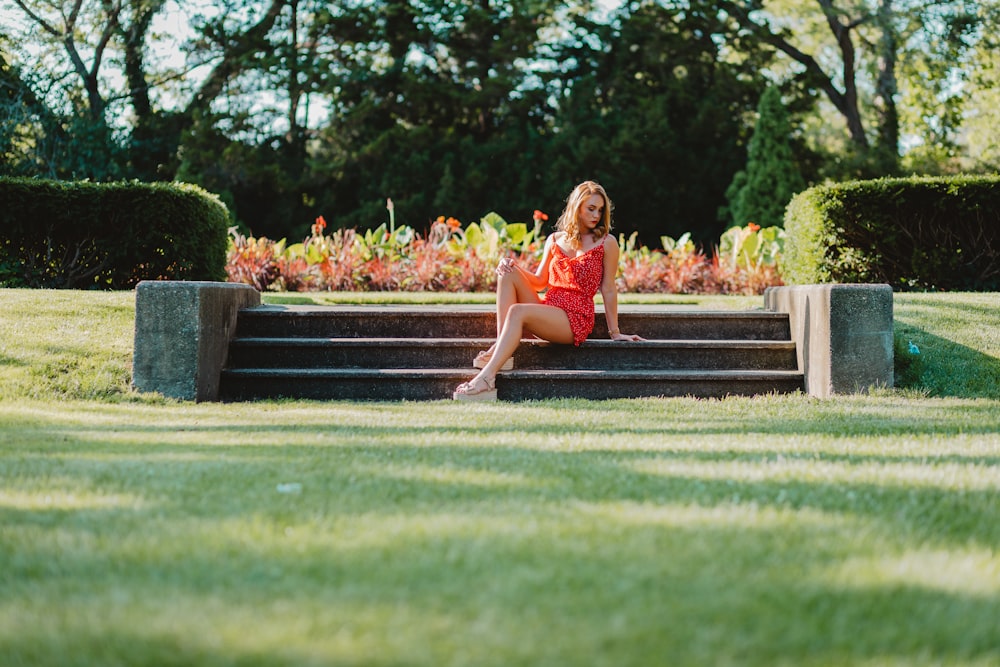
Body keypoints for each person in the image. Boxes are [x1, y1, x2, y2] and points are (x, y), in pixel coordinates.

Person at [453, 180, 644, 401]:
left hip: (575, 317)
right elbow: (539, 282)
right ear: (576, 207)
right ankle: (501, 352)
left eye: (600, 210)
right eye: (591, 209)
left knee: (517, 312)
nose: (596, 215)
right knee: (507, 271)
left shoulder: (607, 243)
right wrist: (511, 264)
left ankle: (486, 379)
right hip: (549, 308)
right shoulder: (554, 240)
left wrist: (615, 333)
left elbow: (608, 288)